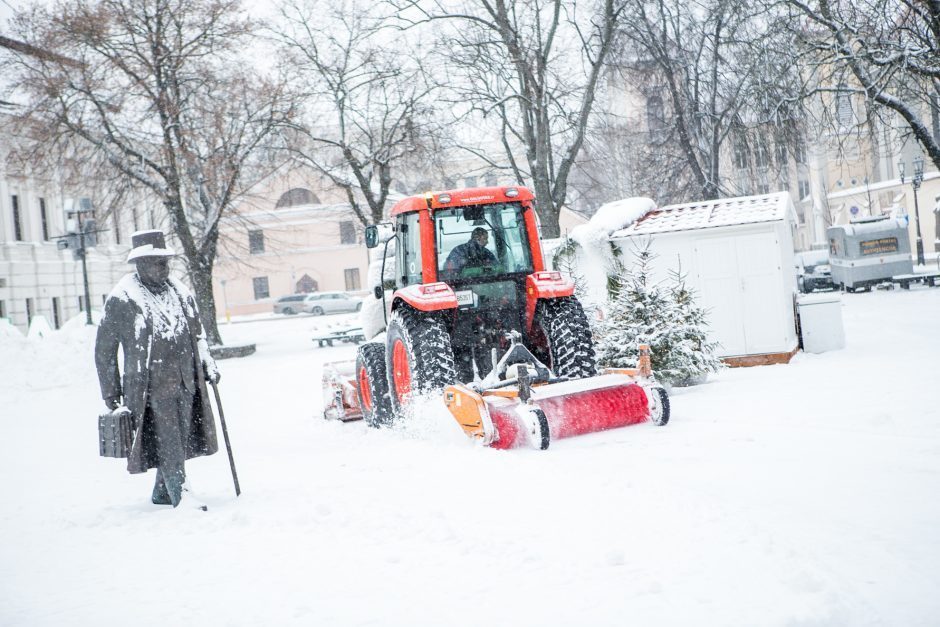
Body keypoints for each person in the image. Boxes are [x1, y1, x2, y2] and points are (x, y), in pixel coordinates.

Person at [95, 230, 220, 509]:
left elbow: (198, 335)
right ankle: (181, 494)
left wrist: (208, 363)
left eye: (165, 262)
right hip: (151, 386)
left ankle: (162, 491)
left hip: (186, 380)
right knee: (169, 438)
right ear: (140, 264)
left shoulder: (180, 292)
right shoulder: (122, 299)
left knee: (182, 435)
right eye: (156, 262)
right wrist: (110, 391)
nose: (164, 268)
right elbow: (104, 350)